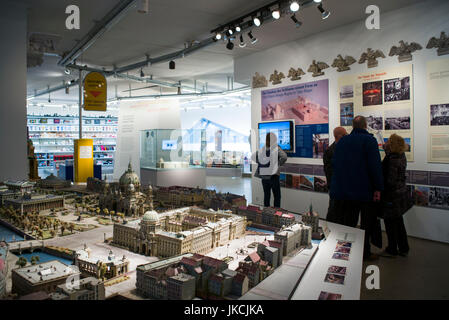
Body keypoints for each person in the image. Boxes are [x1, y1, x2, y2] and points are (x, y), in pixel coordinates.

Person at [330, 116, 384, 260]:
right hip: (364, 190)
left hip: (345, 190)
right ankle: (364, 253)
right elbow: (375, 166)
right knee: (366, 224)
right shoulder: (369, 141)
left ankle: (346, 251)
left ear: (353, 126)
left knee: (348, 222)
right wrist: (378, 188)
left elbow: (335, 164)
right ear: (365, 125)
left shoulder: (342, 142)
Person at [381, 134, 411, 257]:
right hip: (399, 194)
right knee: (398, 222)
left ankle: (392, 249)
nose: (386, 142)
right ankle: (404, 248)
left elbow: (390, 180)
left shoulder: (391, 159)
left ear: (392, 144)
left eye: (388, 141)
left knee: (390, 223)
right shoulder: (401, 155)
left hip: (391, 195)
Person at [254, 132, 288, 208]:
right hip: (273, 176)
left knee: (266, 195)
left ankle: (267, 212)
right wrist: (278, 164)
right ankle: (276, 214)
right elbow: (284, 157)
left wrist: (260, 163)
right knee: (277, 196)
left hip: (264, 175)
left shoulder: (263, 149)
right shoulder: (276, 148)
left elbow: (254, 156)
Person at [323, 127, 347, 222]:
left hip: (344, 187)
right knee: (333, 212)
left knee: (343, 214)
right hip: (335, 187)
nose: (347, 137)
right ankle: (330, 232)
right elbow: (328, 171)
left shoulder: (345, 149)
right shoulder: (330, 151)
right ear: (339, 136)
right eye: (345, 135)